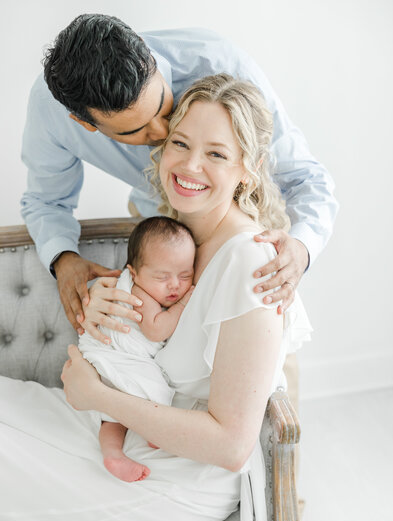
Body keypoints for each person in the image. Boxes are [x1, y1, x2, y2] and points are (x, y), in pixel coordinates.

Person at [0, 73, 311, 521]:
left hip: (179, 479)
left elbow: (231, 446)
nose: (190, 166)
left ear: (247, 170)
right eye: (181, 144)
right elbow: (154, 341)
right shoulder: (182, 237)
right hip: (134, 428)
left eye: (216, 153)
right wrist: (106, 311)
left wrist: (98, 395)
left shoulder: (252, 264)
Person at [21, 13, 337, 336]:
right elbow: (45, 200)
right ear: (86, 124)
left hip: (248, 230)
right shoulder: (50, 113)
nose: (162, 132)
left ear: (146, 52)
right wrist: (63, 257)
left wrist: (301, 248)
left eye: (162, 105)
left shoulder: (221, 64)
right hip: (160, 234)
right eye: (136, 130)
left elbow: (307, 180)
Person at [79, 216, 196, 483]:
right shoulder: (139, 294)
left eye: (185, 275)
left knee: (112, 419)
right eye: (162, 277)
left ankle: (112, 454)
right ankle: (155, 432)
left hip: (109, 361)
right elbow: (156, 329)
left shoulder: (150, 284)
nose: (175, 285)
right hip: (118, 357)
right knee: (154, 391)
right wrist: (182, 306)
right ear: (133, 274)